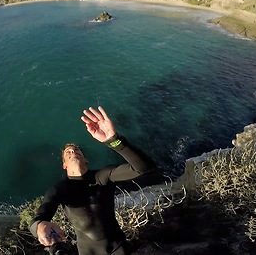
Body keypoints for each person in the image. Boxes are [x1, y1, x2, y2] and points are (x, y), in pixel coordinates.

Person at [29, 106, 160, 255]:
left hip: (118, 247)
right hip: (87, 251)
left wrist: (114, 140)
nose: (73, 152)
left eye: (77, 150)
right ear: (64, 165)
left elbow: (144, 168)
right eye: (68, 153)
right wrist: (39, 226)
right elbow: (40, 217)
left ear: (86, 160)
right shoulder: (61, 189)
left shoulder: (103, 176)